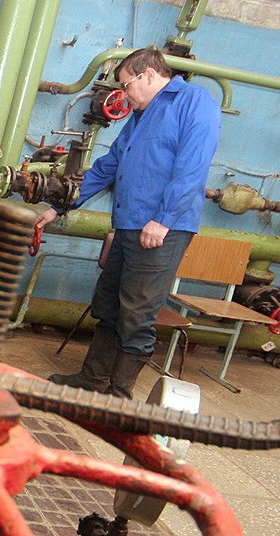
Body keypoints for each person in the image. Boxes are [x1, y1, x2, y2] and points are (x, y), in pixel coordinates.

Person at [34, 48, 221, 399]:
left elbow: (193, 166)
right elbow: (108, 166)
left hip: (162, 229)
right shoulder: (140, 115)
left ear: (148, 74)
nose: (124, 94)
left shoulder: (194, 101)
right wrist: (59, 207)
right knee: (109, 306)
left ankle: (119, 397)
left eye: (126, 85)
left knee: (137, 313)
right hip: (129, 224)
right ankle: (92, 379)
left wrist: (163, 220)